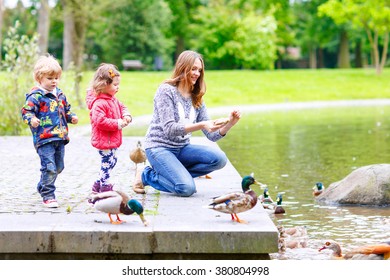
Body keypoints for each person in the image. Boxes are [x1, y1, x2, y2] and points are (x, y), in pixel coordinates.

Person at [132, 50, 241, 196]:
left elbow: (212, 136)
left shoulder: (196, 97)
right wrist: (202, 124)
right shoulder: (166, 91)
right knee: (186, 188)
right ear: (183, 67)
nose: (197, 73)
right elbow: (170, 129)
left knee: (219, 159)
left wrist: (230, 124)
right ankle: (146, 175)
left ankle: (177, 175)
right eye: (193, 69)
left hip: (182, 148)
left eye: (199, 70)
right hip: (159, 148)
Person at [21, 54, 79, 208]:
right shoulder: (36, 97)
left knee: (59, 167)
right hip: (44, 139)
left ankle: (42, 185)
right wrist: (31, 119)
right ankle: (48, 195)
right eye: (50, 78)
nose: (54, 81)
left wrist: (71, 117)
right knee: (50, 167)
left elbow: (66, 110)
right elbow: (26, 112)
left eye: (56, 78)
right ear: (39, 79)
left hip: (60, 137)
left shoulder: (59, 94)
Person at [86, 63, 132, 193]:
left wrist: (126, 115)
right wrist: (118, 123)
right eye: (115, 85)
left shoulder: (112, 99)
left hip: (111, 140)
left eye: (118, 85)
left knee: (112, 161)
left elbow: (122, 106)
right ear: (104, 85)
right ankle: (105, 187)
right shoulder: (99, 103)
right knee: (106, 163)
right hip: (103, 141)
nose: (118, 88)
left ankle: (97, 184)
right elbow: (100, 121)